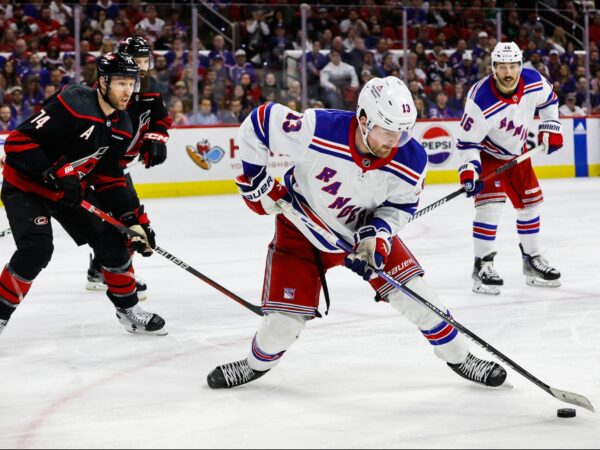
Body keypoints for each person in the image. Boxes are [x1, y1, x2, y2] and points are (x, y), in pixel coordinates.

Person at [206, 76, 508, 389]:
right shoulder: (319, 129)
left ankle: (461, 357)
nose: (395, 140)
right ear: (363, 120)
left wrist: (375, 239)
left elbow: (398, 209)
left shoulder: (412, 158)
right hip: (301, 232)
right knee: (280, 328)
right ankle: (254, 365)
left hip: (360, 236)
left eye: (403, 130)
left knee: (421, 299)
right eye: (387, 130)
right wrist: (256, 178)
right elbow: (259, 122)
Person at [0, 52, 166, 337]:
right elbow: (17, 142)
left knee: (114, 242)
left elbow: (109, 174)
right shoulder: (73, 104)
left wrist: (130, 218)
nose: (129, 91)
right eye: (121, 83)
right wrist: (55, 173)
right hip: (26, 186)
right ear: (102, 82)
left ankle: (128, 310)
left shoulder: (122, 124)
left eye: (132, 83)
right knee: (36, 250)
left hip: (68, 192)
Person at [455, 42, 562, 296]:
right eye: (502, 66)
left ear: (519, 65)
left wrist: (551, 126)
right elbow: (466, 142)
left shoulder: (533, 81)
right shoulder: (480, 99)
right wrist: (469, 171)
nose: (508, 72)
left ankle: (532, 260)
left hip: (518, 153)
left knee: (530, 205)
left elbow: (550, 101)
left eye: (513, 66)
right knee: (490, 208)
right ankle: (482, 265)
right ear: (493, 68)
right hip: (488, 155)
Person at [85, 37, 172, 298]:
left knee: (127, 217)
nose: (142, 67)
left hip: (120, 164)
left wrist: (155, 140)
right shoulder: (110, 87)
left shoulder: (151, 85)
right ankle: (116, 273)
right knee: (128, 217)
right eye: (137, 61)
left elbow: (160, 120)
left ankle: (100, 270)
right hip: (102, 164)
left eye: (146, 60)